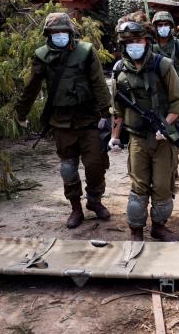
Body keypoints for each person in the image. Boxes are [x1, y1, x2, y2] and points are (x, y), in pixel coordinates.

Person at [15, 13, 112, 229]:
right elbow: (31, 86)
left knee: (95, 165)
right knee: (68, 168)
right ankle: (75, 208)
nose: (60, 35)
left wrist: (107, 114)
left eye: (63, 32)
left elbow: (98, 83)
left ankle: (94, 200)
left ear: (70, 32)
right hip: (62, 122)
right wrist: (21, 113)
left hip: (89, 119)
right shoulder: (42, 55)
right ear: (48, 34)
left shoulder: (85, 51)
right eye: (54, 32)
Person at [109, 20, 179, 241]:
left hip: (162, 140)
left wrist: (166, 125)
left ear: (147, 41)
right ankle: (135, 229)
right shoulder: (119, 70)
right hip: (136, 139)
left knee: (163, 187)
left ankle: (159, 226)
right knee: (138, 188)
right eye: (129, 42)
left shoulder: (163, 65)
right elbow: (117, 108)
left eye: (138, 41)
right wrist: (115, 137)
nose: (133, 45)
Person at [152, 11, 179, 107]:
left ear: (170, 26)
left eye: (166, 24)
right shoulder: (150, 47)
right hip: (158, 95)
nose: (163, 27)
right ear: (156, 27)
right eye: (160, 25)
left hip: (178, 93)